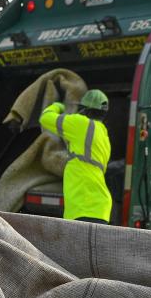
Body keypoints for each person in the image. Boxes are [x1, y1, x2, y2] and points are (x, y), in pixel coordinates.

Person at [39, 89, 113, 224]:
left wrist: (59, 106)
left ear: (85, 110)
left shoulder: (81, 124)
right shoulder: (103, 135)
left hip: (83, 206)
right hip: (100, 208)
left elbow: (45, 118)